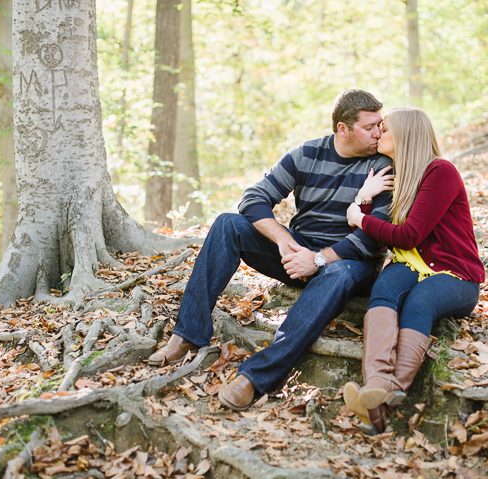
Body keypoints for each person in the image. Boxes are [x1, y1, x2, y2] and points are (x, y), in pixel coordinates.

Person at [149, 89, 395, 411]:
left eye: (380, 125)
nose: (379, 133)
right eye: (370, 127)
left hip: (349, 262)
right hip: (298, 251)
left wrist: (317, 259)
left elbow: (371, 240)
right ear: (343, 129)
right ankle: (187, 335)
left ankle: (255, 377)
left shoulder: (383, 166)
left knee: (336, 272)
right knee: (227, 224)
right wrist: (283, 240)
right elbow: (253, 199)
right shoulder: (307, 154)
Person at [343, 106, 485, 435]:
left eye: (385, 128)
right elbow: (376, 228)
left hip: (455, 275)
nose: (378, 133)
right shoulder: (396, 173)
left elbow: (409, 234)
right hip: (410, 263)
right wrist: (365, 198)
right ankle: (375, 387)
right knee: (383, 291)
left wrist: (359, 217)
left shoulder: (441, 172)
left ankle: (389, 394)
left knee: (420, 302)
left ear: (405, 136)